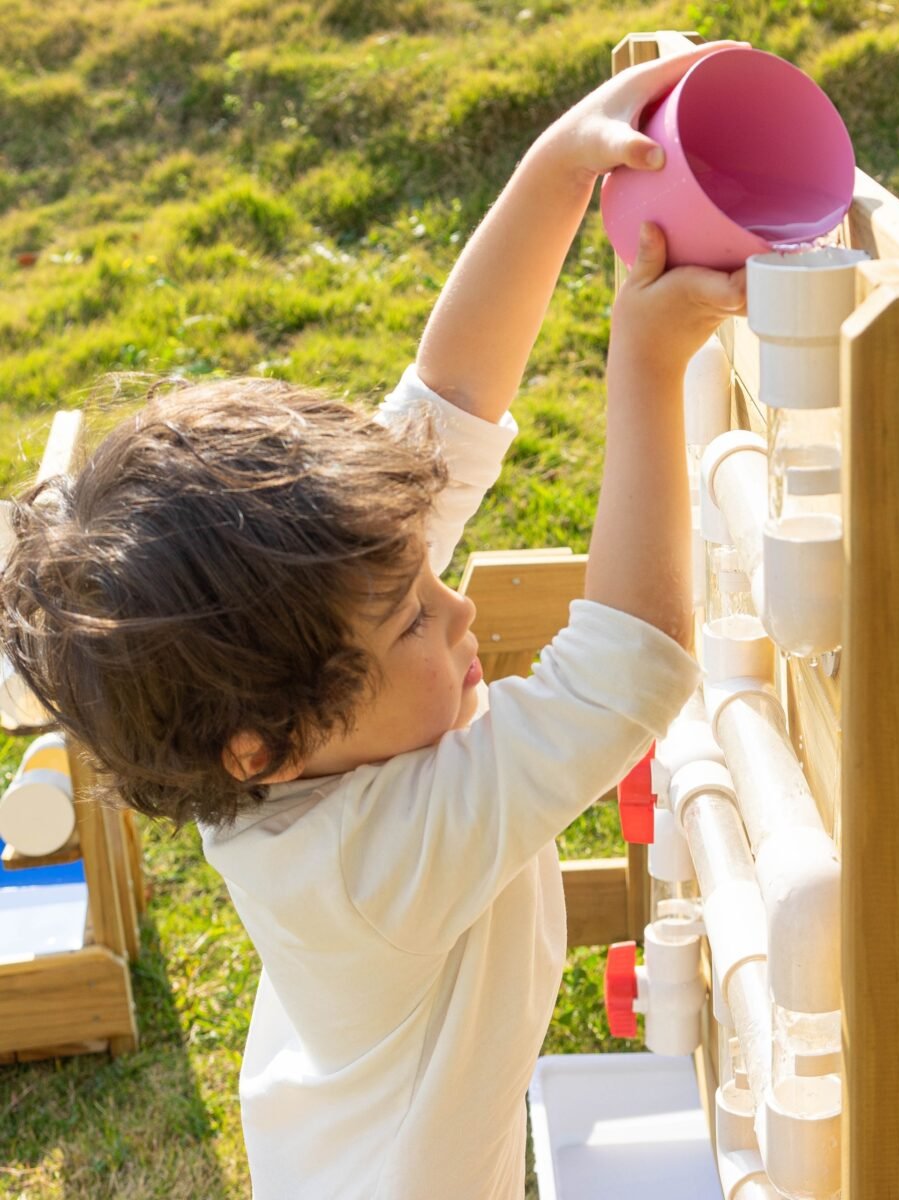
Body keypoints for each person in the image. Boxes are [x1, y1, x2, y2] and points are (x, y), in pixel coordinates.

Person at [0, 44, 747, 1200]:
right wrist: (643, 368)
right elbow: (627, 673)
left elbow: (447, 403)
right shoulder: (372, 862)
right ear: (265, 744)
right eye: (409, 623)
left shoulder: (294, 710)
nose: (456, 609)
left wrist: (557, 171)